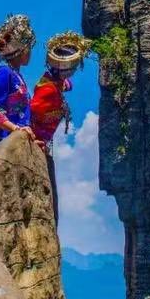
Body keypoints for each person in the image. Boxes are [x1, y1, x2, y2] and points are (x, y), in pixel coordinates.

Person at [30, 31, 92, 222]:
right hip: (36, 144)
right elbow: (33, 110)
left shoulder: (53, 82)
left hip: (43, 145)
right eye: (72, 68)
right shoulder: (48, 90)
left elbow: (67, 85)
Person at [0, 14, 37, 167]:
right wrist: (16, 129)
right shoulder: (4, 73)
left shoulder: (19, 77)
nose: (30, 52)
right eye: (29, 48)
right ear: (21, 50)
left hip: (16, 143)